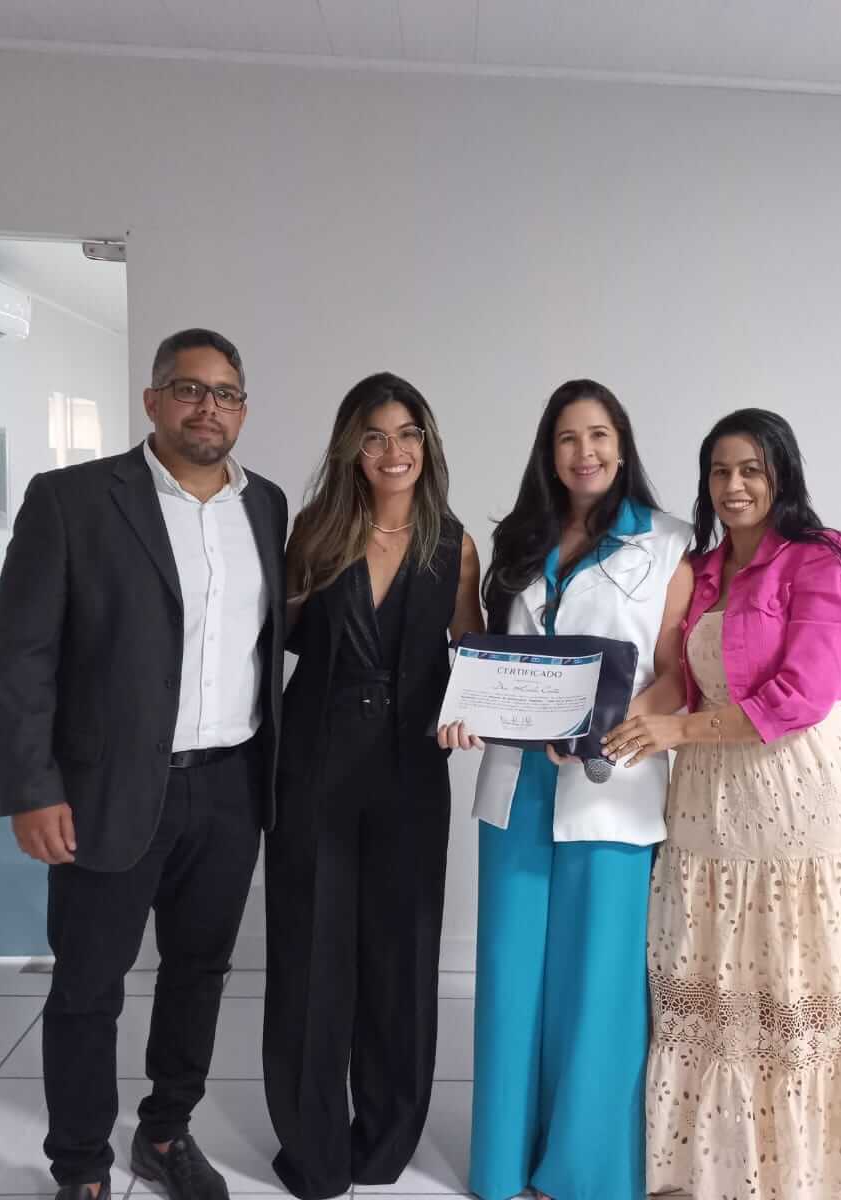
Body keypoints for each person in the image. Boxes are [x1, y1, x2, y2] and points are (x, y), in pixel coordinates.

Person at [0, 329, 287, 1200]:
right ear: (153, 400)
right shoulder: (72, 500)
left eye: (226, 393)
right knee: (89, 985)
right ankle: (81, 1164)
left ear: (243, 410)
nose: (207, 408)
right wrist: (32, 788)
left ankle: (165, 1133)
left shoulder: (266, 506)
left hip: (231, 785)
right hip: (106, 788)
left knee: (200, 973)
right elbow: (21, 657)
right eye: (188, 389)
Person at [601, 408, 841, 1200]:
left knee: (795, 990)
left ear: (782, 475)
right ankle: (716, 1170)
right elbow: (679, 678)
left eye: (751, 469)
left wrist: (677, 730)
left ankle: (809, 1172)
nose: (734, 485)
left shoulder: (820, 559)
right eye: (720, 471)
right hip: (711, 809)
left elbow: (802, 694)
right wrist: (610, 729)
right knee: (717, 990)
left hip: (806, 802)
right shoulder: (702, 568)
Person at [440, 380, 692, 1200]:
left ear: (622, 445)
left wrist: (605, 731)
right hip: (517, 785)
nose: (584, 452)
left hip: (611, 784)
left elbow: (675, 673)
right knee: (511, 978)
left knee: (597, 986)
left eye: (599, 435)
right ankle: (504, 1162)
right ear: (548, 453)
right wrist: (470, 707)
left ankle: (583, 1174)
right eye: (567, 438)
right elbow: (493, 654)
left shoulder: (669, 542)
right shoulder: (518, 538)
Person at [263, 372, 483, 1199]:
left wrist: (478, 709)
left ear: (427, 444)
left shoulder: (454, 544)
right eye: (375, 436)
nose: (394, 452)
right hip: (315, 763)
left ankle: (386, 1142)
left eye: (408, 434)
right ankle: (313, 1151)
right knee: (310, 954)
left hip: (412, 768)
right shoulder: (315, 532)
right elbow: (273, 638)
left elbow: (474, 652)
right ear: (351, 449)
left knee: (403, 955)